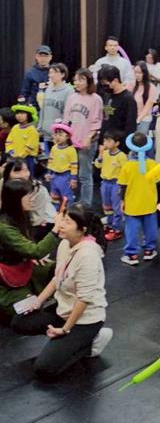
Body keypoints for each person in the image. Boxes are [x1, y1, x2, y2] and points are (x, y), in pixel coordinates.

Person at [11, 203, 112, 378]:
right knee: (19, 322)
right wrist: (38, 301)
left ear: (82, 230)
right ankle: (68, 342)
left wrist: (64, 330)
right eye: (63, 219)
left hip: (84, 320)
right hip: (63, 309)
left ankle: (92, 341)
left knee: (44, 369)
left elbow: (83, 300)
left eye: (67, 222)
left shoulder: (88, 255)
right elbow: (57, 277)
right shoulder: (65, 244)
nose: (61, 225)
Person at [0, 179, 59, 316]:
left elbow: (28, 247)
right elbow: (36, 251)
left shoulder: (21, 216)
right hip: (7, 278)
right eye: (28, 196)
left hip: (22, 264)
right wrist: (56, 230)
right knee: (28, 309)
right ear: (15, 200)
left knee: (59, 270)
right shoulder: (4, 227)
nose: (31, 199)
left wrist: (29, 255)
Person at [117, 131, 160, 265]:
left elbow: (123, 186)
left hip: (132, 204)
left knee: (132, 231)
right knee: (151, 229)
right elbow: (158, 181)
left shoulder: (127, 166)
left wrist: (122, 201)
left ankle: (132, 255)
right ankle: (149, 250)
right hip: (149, 202)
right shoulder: (152, 164)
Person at [63, 69, 103, 207]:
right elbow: (66, 119)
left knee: (84, 175)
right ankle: (69, 201)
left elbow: (97, 122)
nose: (77, 83)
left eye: (81, 80)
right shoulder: (71, 97)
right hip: (71, 141)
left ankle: (85, 205)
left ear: (88, 81)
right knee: (70, 172)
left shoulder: (96, 99)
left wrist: (89, 137)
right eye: (75, 80)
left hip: (87, 142)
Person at [1, 158, 56, 241]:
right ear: (8, 173)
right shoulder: (2, 184)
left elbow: (36, 219)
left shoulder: (38, 189)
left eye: (26, 170)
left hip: (33, 223)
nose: (23, 175)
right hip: (10, 220)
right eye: (17, 171)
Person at [94, 130, 127, 242]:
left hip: (116, 183)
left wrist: (122, 187)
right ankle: (110, 224)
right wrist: (100, 154)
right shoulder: (105, 153)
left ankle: (117, 229)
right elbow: (98, 165)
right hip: (105, 183)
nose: (105, 143)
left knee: (116, 207)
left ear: (117, 143)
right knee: (107, 206)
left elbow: (125, 172)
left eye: (108, 141)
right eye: (104, 141)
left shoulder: (121, 156)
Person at [98, 65, 137, 147]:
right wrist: (101, 142)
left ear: (115, 80)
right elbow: (106, 118)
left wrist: (126, 146)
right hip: (106, 142)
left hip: (119, 144)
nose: (104, 87)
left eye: (106, 84)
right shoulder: (107, 95)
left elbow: (130, 126)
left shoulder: (128, 99)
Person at [37, 63, 73, 149]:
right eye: (50, 72)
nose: (51, 75)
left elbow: (69, 113)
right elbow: (43, 110)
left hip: (59, 134)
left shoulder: (69, 91)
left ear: (63, 74)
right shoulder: (48, 89)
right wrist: (40, 127)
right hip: (46, 132)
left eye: (55, 72)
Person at [46, 121, 78, 207]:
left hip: (65, 177)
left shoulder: (71, 150)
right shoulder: (54, 148)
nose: (57, 137)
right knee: (54, 196)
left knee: (67, 197)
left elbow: (74, 166)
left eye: (60, 135)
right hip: (54, 176)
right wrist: (49, 173)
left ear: (67, 136)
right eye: (56, 134)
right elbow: (50, 161)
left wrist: (73, 179)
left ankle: (68, 212)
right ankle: (55, 212)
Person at [6, 104, 40, 174]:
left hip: (27, 159)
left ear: (28, 115)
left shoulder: (32, 130)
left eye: (22, 113)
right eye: (17, 113)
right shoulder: (15, 127)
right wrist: (11, 152)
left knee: (27, 176)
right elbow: (9, 142)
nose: (19, 115)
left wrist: (19, 156)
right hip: (13, 157)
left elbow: (29, 147)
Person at [20, 44, 52, 108]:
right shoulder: (30, 73)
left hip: (51, 106)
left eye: (46, 56)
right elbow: (24, 93)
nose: (43, 58)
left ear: (50, 57)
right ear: (36, 57)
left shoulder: (55, 72)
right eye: (40, 56)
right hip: (34, 107)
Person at [133, 60, 158, 135]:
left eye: (140, 73)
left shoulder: (151, 88)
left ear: (145, 73)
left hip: (144, 120)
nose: (137, 75)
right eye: (135, 73)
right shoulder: (131, 85)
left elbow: (148, 107)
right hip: (132, 119)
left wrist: (139, 119)